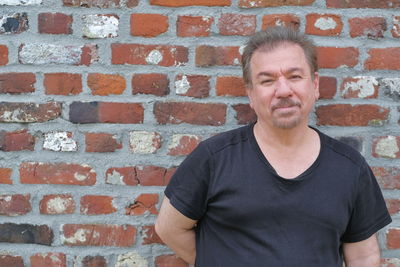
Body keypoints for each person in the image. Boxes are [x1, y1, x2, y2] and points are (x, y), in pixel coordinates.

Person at [155, 26, 392, 267]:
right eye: (267, 80)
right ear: (250, 93)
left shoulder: (349, 168)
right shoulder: (214, 159)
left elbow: (363, 256)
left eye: (294, 77)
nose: (283, 91)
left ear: (315, 84)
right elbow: (169, 228)